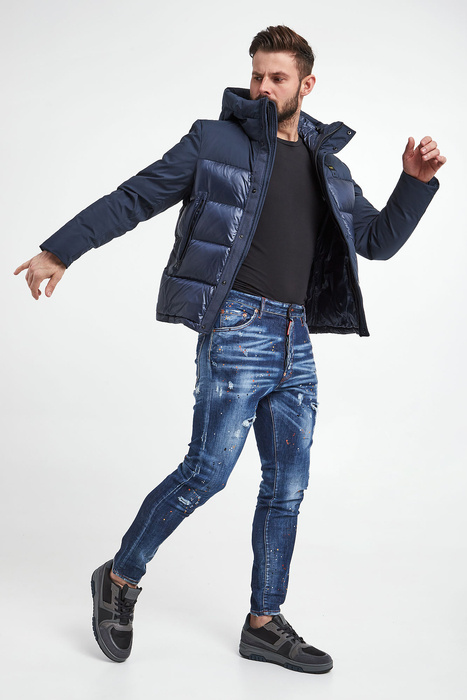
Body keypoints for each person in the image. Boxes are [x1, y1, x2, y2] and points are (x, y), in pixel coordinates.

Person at [14, 25, 445, 674]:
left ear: (306, 84)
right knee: (206, 472)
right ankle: (120, 578)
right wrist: (60, 250)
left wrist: (413, 183)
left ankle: (264, 623)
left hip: (296, 338)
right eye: (256, 75)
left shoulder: (329, 166)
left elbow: (376, 242)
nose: (263, 87)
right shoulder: (213, 142)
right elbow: (136, 197)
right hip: (238, 328)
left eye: (277, 77)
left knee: (287, 486)